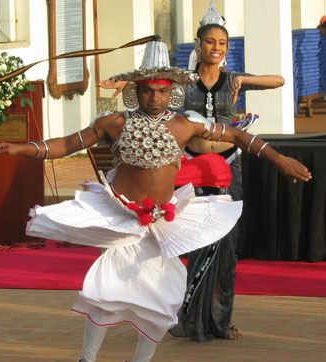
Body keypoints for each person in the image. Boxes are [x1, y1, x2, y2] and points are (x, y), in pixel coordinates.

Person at [0, 38, 311, 362]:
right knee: (106, 292)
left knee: (165, 297)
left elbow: (234, 134)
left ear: (171, 92)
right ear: (135, 92)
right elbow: (67, 144)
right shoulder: (114, 123)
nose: (154, 98)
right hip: (122, 220)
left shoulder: (185, 124)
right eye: (147, 91)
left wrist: (278, 159)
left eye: (160, 91)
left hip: (163, 223)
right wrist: (24, 148)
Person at [98, 2, 285, 342]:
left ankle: (220, 321)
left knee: (227, 244)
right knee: (197, 240)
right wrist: (121, 85)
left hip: (230, 166)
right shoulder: (184, 82)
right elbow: (150, 90)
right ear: (199, 46)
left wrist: (243, 79)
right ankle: (190, 318)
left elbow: (280, 80)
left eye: (223, 44)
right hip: (194, 168)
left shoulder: (232, 80)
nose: (217, 48)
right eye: (210, 42)